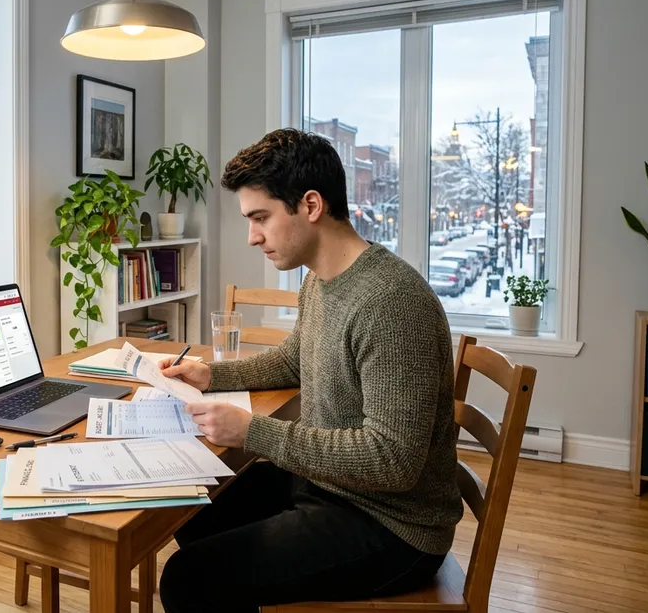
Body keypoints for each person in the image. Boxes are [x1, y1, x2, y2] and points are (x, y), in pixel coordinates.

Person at [156, 129, 462, 613]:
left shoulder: (392, 303)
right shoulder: (321, 281)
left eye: (260, 217)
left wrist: (255, 432)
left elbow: (394, 461)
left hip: (392, 525)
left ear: (312, 205)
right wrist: (210, 375)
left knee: (187, 578)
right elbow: (294, 359)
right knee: (188, 507)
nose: (252, 236)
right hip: (330, 486)